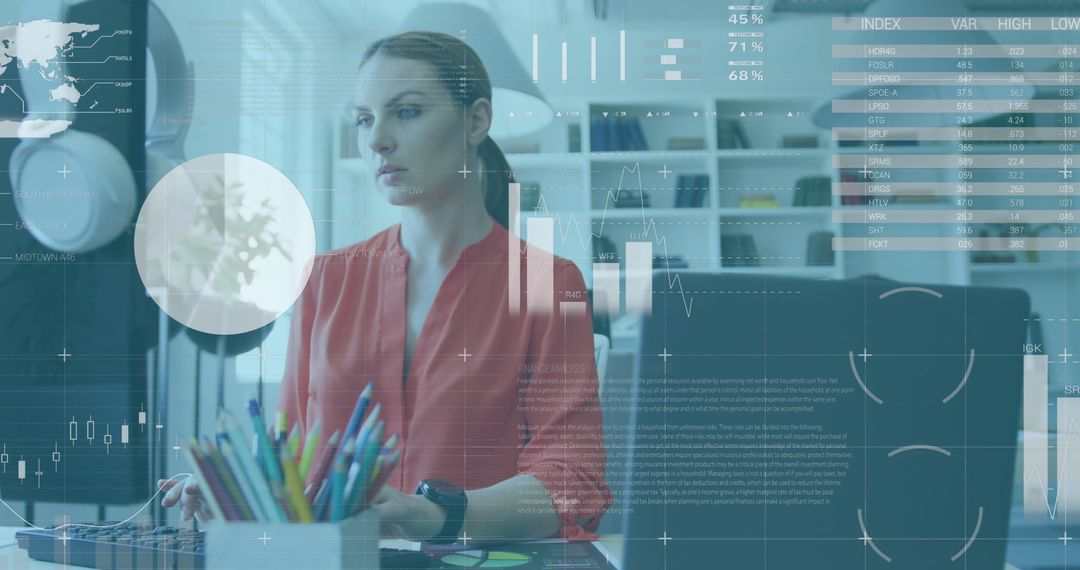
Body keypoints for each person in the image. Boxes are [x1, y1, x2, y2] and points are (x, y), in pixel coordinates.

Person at [160, 31, 611, 545]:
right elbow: (291, 461)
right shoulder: (323, 281)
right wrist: (237, 493)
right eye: (364, 118)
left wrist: (435, 513)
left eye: (408, 111)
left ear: (476, 120)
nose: (377, 140)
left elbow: (572, 482)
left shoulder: (549, 285)